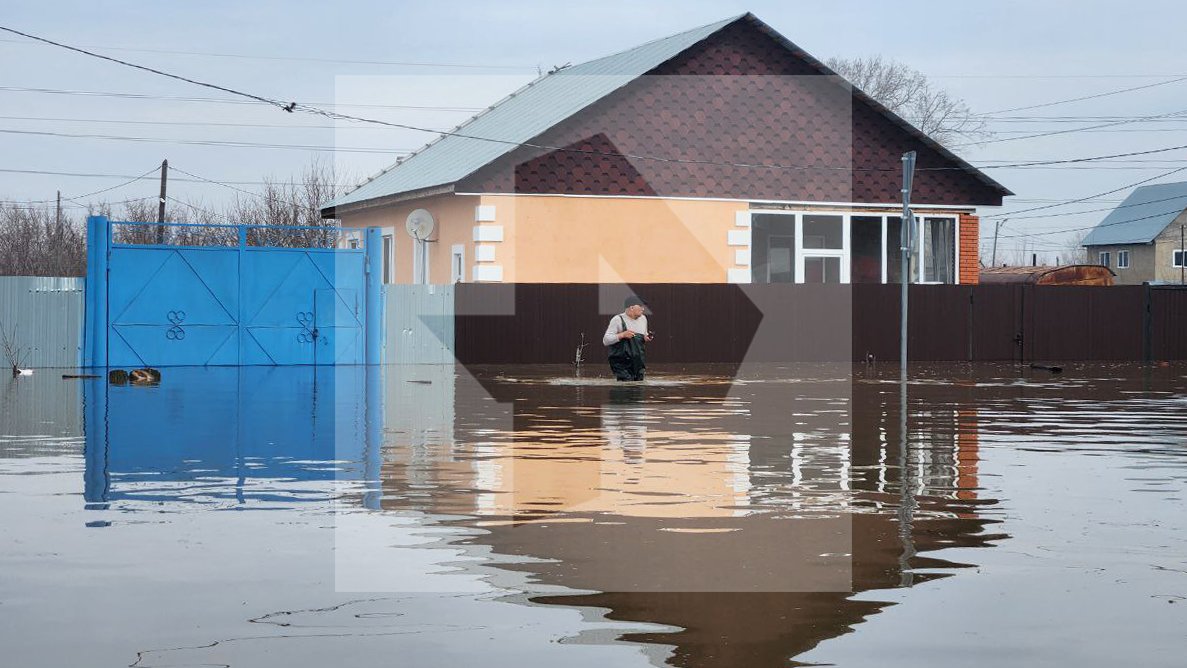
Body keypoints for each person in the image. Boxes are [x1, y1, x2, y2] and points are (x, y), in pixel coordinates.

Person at [603, 295, 653, 381]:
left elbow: (644, 335)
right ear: (632, 307)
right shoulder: (617, 319)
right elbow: (606, 340)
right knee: (626, 385)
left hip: (638, 361)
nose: (643, 309)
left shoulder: (643, 319)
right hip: (621, 362)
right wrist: (622, 335)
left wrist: (646, 337)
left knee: (639, 386)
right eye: (641, 306)